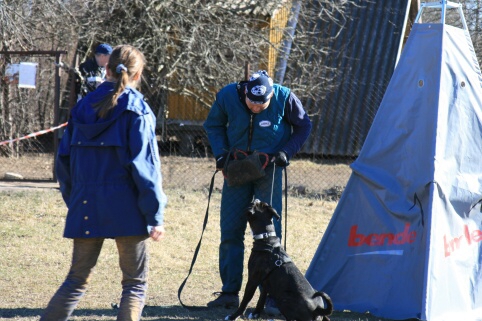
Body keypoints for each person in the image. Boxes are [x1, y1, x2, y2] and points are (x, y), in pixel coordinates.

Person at [40, 45, 167, 321]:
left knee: (76, 279)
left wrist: (76, 198)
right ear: (138, 74)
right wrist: (155, 215)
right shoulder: (138, 111)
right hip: (128, 207)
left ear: (106, 69)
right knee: (134, 284)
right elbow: (146, 169)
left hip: (86, 204)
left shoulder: (82, 107)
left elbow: (63, 163)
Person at [203, 70, 312, 314]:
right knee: (231, 229)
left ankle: (271, 295)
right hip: (237, 167)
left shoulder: (285, 97)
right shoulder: (227, 96)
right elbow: (213, 124)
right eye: (252, 102)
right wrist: (221, 154)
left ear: (272, 96)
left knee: (270, 234)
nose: (256, 107)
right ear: (244, 92)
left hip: (269, 168)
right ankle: (229, 293)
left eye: (263, 104)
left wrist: (287, 151)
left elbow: (304, 125)